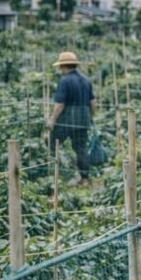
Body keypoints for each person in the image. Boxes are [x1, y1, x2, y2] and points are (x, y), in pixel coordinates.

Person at [47, 51, 95, 186]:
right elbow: (93, 102)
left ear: (64, 66)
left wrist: (52, 119)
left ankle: (55, 173)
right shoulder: (86, 80)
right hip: (83, 119)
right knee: (81, 148)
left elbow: (60, 104)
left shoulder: (64, 80)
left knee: (52, 142)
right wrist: (90, 117)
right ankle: (85, 178)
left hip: (67, 119)